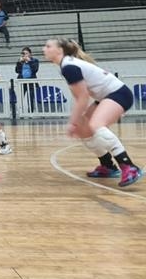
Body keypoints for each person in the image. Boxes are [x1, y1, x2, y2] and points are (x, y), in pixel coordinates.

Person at [43, 38, 141, 186]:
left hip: (119, 94)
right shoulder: (67, 65)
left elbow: (82, 99)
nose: (44, 49)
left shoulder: (69, 67)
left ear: (59, 50)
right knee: (83, 129)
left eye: (48, 46)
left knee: (96, 125)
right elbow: (81, 97)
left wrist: (72, 122)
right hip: (106, 97)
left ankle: (129, 166)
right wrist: (78, 121)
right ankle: (107, 166)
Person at [14, 46, 40, 114]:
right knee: (20, 98)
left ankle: (30, 112)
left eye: (26, 53)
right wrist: (19, 63)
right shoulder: (21, 61)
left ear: (30, 54)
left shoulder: (35, 60)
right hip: (21, 82)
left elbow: (35, 70)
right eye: (23, 53)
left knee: (30, 98)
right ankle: (20, 112)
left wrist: (29, 61)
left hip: (31, 81)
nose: (25, 55)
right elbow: (17, 71)